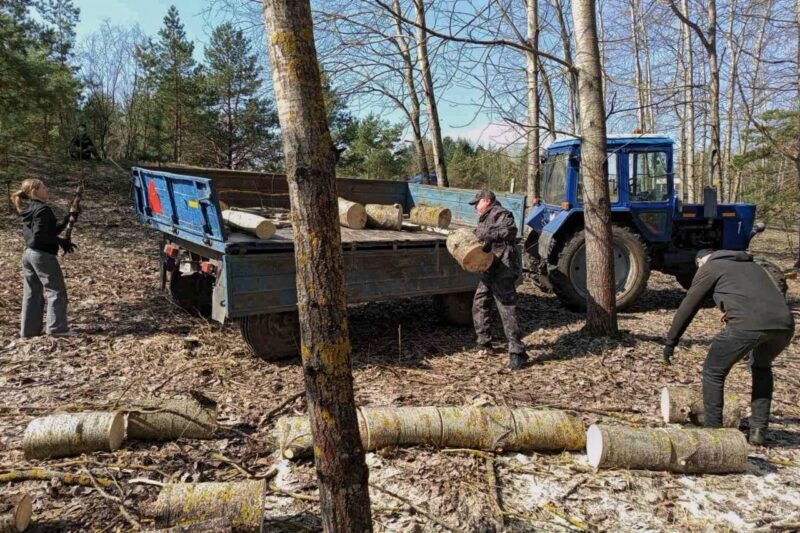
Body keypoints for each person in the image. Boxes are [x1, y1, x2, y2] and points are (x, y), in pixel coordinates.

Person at [663, 249, 795, 445]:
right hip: (784, 325)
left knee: (713, 371)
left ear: (700, 261)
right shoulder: (753, 266)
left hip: (746, 324)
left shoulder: (710, 267)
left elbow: (689, 305)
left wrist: (671, 341)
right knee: (761, 367)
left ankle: (713, 431)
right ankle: (758, 431)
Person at [470, 189, 529, 370]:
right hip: (490, 266)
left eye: (477, 203)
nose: (475, 207)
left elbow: (510, 231)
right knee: (480, 302)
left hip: (503, 267)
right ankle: (484, 342)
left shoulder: (501, 214)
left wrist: (488, 237)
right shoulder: (485, 217)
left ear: (486, 200)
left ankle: (517, 352)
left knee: (506, 308)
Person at [11, 179, 78, 338]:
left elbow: (50, 231)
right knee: (56, 290)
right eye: (43, 187)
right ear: (35, 191)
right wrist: (61, 242)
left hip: (29, 254)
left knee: (32, 292)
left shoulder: (29, 208)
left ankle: (29, 330)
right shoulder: (43, 209)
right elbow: (40, 236)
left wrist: (69, 217)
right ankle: (57, 328)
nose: (46, 189)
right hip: (42, 255)